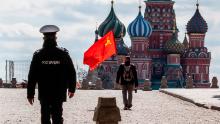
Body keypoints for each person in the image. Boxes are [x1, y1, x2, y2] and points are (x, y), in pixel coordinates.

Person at [27, 25, 76, 124]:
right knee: (57, 116)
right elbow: (71, 72)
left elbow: (32, 76)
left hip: (44, 91)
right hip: (59, 91)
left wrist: (30, 94)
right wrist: (72, 88)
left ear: (43, 38)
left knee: (45, 116)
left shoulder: (38, 55)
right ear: (55, 37)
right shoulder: (63, 53)